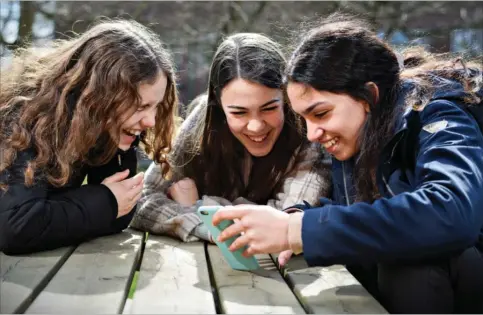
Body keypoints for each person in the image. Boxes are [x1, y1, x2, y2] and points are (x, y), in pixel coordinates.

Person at [212, 14, 483, 313]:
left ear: (368, 95)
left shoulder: (440, 114)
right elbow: (358, 214)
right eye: (303, 119)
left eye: (321, 114)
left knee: (413, 260)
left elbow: (452, 211)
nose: (312, 134)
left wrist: (300, 229)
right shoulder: (360, 136)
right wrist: (297, 216)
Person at [130, 33, 331, 259]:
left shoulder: (311, 136)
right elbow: (142, 200)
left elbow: (283, 223)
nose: (255, 126)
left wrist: (200, 205)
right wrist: (201, 224)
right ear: (218, 104)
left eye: (269, 108)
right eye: (239, 112)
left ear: (285, 97)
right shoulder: (202, 123)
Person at [0, 19, 179, 255]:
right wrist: (106, 201)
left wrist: (107, 202)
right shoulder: (30, 118)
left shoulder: (99, 125)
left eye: (155, 107)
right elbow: (17, 227)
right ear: (98, 96)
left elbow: (118, 215)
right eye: (140, 106)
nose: (150, 122)